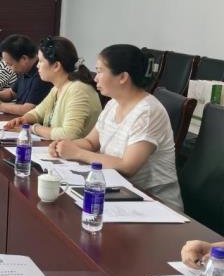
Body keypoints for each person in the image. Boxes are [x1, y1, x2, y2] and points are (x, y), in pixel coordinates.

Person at [50, 44, 183, 210]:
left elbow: (127, 167)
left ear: (122, 77)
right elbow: (91, 142)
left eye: (100, 71)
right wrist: (64, 145)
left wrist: (77, 153)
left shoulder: (148, 112)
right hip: (118, 191)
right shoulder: (113, 104)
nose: (95, 78)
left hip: (154, 204)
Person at [5, 36, 101, 140]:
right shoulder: (58, 87)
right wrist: (23, 119)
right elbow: (38, 112)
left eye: (41, 61)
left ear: (56, 66)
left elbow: (69, 134)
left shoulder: (78, 90)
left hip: (74, 149)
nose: (37, 66)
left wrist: (33, 128)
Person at [0, 34, 52, 116]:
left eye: (10, 64)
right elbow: (11, 93)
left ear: (24, 59)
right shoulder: (24, 70)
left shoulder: (42, 76)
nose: (8, 68)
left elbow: (28, 110)